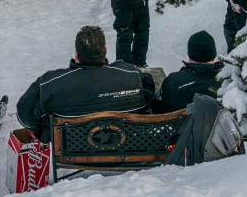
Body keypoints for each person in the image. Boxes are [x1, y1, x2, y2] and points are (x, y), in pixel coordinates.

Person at [16, 25, 154, 142]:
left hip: (72, 150)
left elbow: (24, 112)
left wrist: (44, 133)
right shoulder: (131, 75)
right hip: (127, 145)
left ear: (77, 55)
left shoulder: (50, 84)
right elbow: (149, 96)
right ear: (105, 51)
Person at [153, 30, 223, 113]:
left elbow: (157, 109)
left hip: (178, 125)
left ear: (189, 53)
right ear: (213, 53)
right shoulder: (227, 82)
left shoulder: (173, 81)